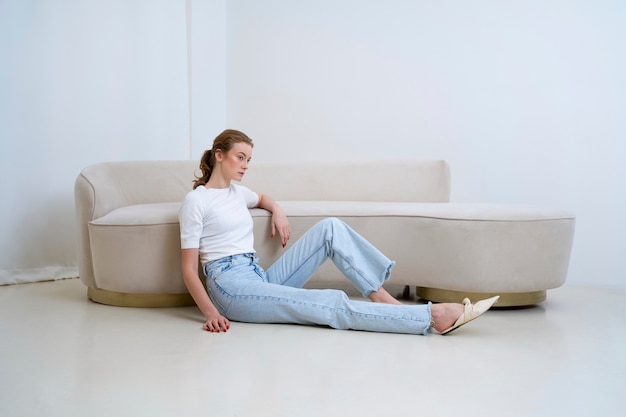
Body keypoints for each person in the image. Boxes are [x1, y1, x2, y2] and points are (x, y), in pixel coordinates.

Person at [179, 129, 499, 335]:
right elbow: (189, 270)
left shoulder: (239, 193)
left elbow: (262, 198)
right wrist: (210, 313)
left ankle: (379, 294)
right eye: (240, 157)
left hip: (256, 276)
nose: (245, 164)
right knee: (331, 302)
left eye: (249, 159)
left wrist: (277, 210)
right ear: (219, 155)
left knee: (330, 228)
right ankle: (430, 317)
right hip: (231, 289)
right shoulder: (197, 201)